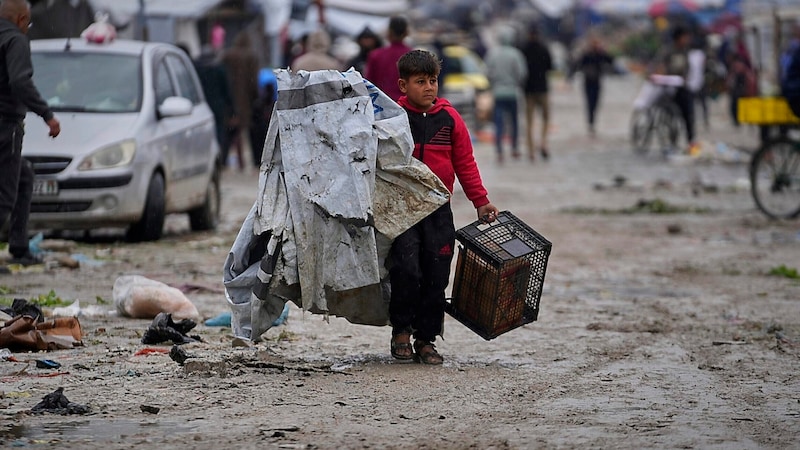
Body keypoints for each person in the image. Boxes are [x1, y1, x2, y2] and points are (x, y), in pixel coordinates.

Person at [390, 49, 499, 365]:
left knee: (437, 274)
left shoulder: (450, 119)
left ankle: (426, 339)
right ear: (403, 85)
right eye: (420, 81)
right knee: (406, 269)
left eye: (433, 81)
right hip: (403, 210)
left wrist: (481, 201)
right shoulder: (394, 119)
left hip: (438, 210)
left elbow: (465, 162)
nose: (429, 87)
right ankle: (401, 333)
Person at [0, 0, 60, 268]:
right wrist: (47, 115)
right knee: (5, 194)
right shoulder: (15, 40)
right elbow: (20, 81)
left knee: (24, 177)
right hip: (6, 125)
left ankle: (19, 245)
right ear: (22, 19)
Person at [484, 25, 527, 161]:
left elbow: (487, 72)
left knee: (499, 123)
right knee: (514, 122)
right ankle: (514, 147)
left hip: (498, 93)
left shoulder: (493, 54)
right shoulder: (516, 54)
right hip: (513, 92)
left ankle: (499, 150)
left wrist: (494, 84)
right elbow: (522, 73)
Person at [652, 25, 695, 150]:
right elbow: (659, 66)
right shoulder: (667, 51)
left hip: (680, 86)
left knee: (688, 109)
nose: (687, 39)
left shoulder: (685, 52)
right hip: (665, 86)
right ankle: (669, 138)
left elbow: (687, 69)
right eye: (684, 37)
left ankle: (690, 139)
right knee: (667, 109)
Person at [221, 32, 259, 171]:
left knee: (229, 132)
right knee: (246, 132)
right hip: (245, 100)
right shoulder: (251, 56)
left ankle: (224, 161)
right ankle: (246, 163)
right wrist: (255, 97)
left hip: (229, 99)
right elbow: (254, 81)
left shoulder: (227, 55)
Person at [520, 26, 553, 161]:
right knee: (545, 118)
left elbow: (521, 70)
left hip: (528, 90)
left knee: (529, 121)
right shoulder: (543, 48)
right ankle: (543, 143)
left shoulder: (523, 49)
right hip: (542, 88)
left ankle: (531, 150)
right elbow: (550, 67)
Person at [570, 36, 614, 137]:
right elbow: (577, 65)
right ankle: (590, 122)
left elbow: (610, 60)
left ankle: (592, 121)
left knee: (595, 103)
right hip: (588, 82)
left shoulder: (600, 54)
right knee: (589, 103)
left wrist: (603, 51)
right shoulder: (586, 55)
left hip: (597, 81)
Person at [364, 15, 413, 101]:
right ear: (406, 33)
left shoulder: (376, 55)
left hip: (381, 104)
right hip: (406, 104)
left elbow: (368, 84)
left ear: (389, 32)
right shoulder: (413, 56)